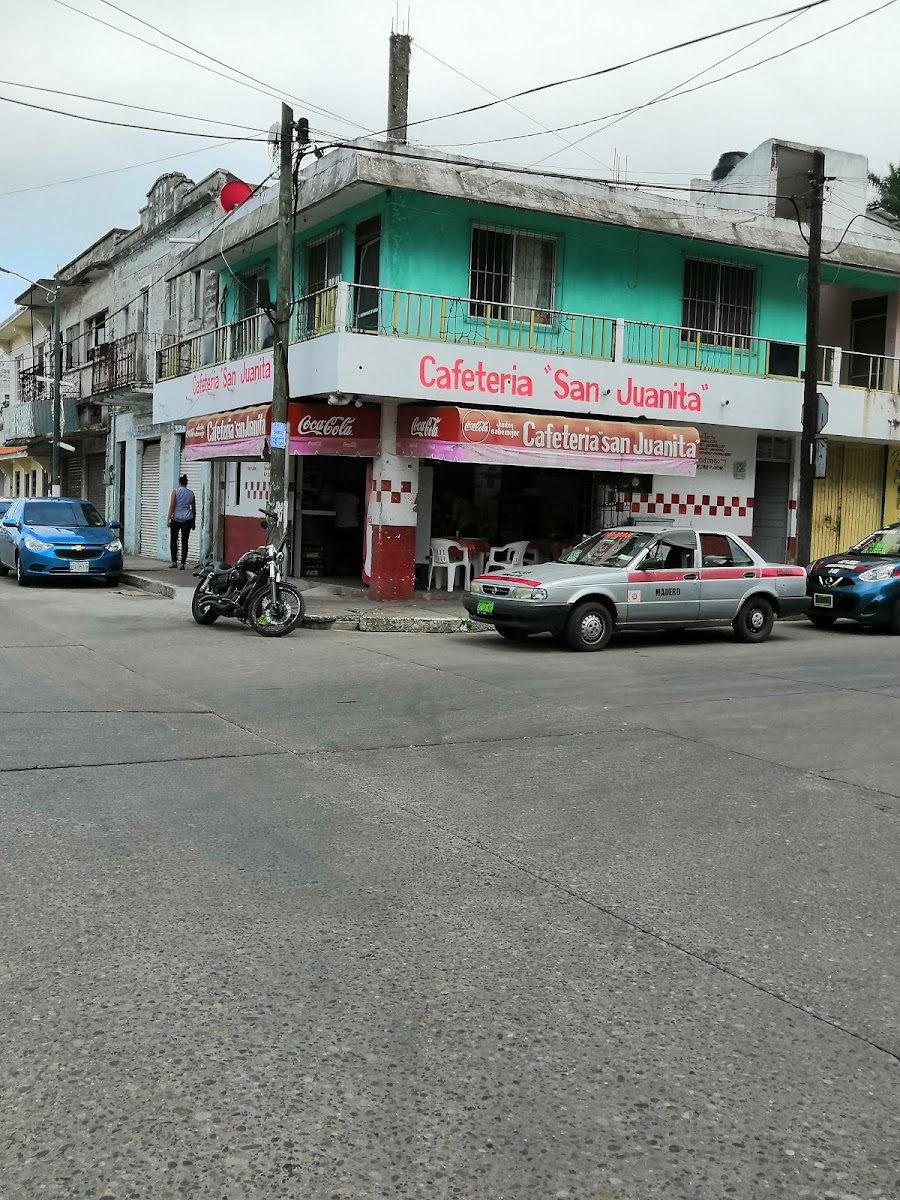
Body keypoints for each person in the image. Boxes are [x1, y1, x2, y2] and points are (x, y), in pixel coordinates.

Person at [167, 474, 196, 570]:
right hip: (187, 519)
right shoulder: (191, 493)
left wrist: (168, 519)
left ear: (180, 482)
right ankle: (182, 563)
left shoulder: (175, 492)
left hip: (176, 519)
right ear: (186, 483)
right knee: (185, 541)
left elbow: (172, 505)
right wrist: (193, 522)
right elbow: (193, 509)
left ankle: (174, 562)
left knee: (174, 541)